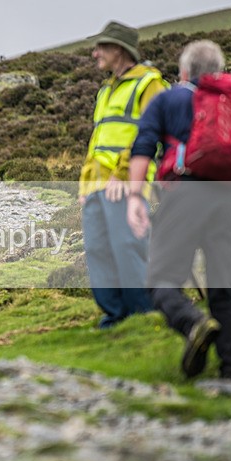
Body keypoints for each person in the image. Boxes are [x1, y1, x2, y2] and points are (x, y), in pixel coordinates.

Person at [127, 40, 231, 380]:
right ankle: (230, 372)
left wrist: (134, 198)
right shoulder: (229, 101)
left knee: (161, 278)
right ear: (220, 70)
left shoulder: (169, 98)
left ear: (183, 71)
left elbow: (143, 147)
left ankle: (193, 324)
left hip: (184, 194)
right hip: (228, 196)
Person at [79, 21, 168, 329]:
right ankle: (115, 316)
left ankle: (144, 317)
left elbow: (150, 133)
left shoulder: (149, 84)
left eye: (100, 48)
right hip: (97, 187)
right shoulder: (105, 91)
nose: (94, 54)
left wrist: (123, 174)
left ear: (118, 50)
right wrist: (85, 183)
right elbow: (97, 141)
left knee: (127, 246)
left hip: (127, 185)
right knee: (97, 250)